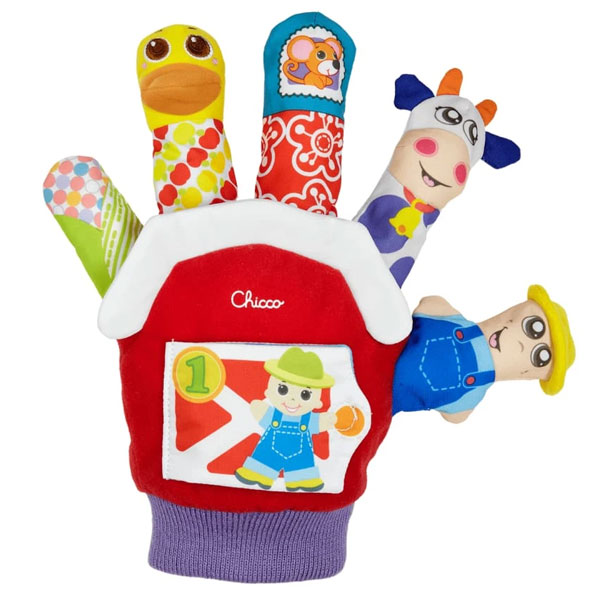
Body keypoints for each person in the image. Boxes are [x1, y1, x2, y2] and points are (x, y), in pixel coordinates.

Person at [393, 285, 575, 423]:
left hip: (383, 400)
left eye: (539, 357)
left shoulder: (469, 398)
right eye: (532, 326)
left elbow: (430, 304)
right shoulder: (469, 400)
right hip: (383, 346)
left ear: (526, 373)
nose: (521, 345)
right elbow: (457, 416)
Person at [235, 347, 338, 491]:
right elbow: (259, 411)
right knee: (262, 463)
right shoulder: (274, 415)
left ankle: (301, 479)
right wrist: (259, 408)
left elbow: (322, 422)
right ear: (269, 392)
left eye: (305, 395)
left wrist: (330, 420)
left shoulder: (308, 420)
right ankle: (259, 473)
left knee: (301, 469)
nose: (292, 399)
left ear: (317, 403)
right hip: (269, 454)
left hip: (299, 458)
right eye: (282, 389)